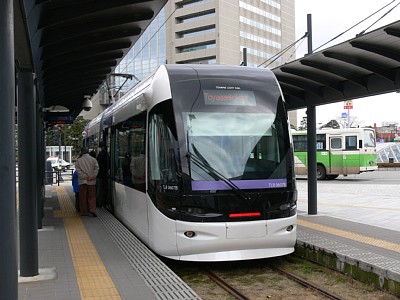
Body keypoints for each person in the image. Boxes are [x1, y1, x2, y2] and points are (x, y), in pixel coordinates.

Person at [76, 148, 99, 217]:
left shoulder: (79, 160)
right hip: (92, 181)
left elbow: (78, 171)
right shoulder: (93, 159)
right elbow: (96, 169)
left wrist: (85, 177)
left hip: (82, 181)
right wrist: (92, 176)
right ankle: (92, 210)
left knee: (83, 197)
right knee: (92, 196)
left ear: (81, 152)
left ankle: (84, 211)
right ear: (88, 152)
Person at [96, 141, 108, 207]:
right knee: (102, 189)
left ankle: (99, 202)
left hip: (100, 175)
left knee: (99, 189)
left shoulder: (100, 154)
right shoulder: (106, 154)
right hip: (104, 174)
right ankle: (102, 201)